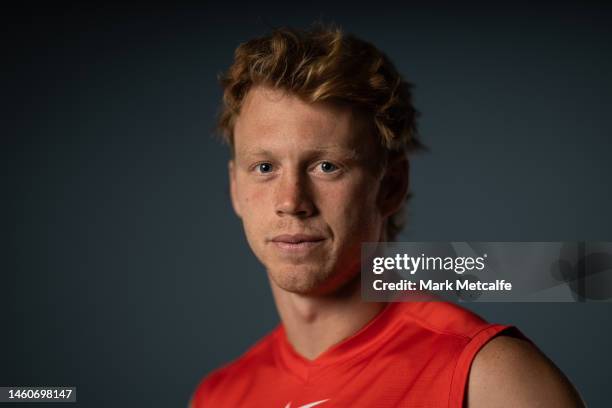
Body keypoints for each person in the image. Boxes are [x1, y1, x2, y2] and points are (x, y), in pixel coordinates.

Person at [190, 23, 584, 407]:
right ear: (235, 189)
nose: (292, 201)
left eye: (327, 166)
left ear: (391, 186)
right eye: (264, 168)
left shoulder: (489, 378)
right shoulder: (219, 397)